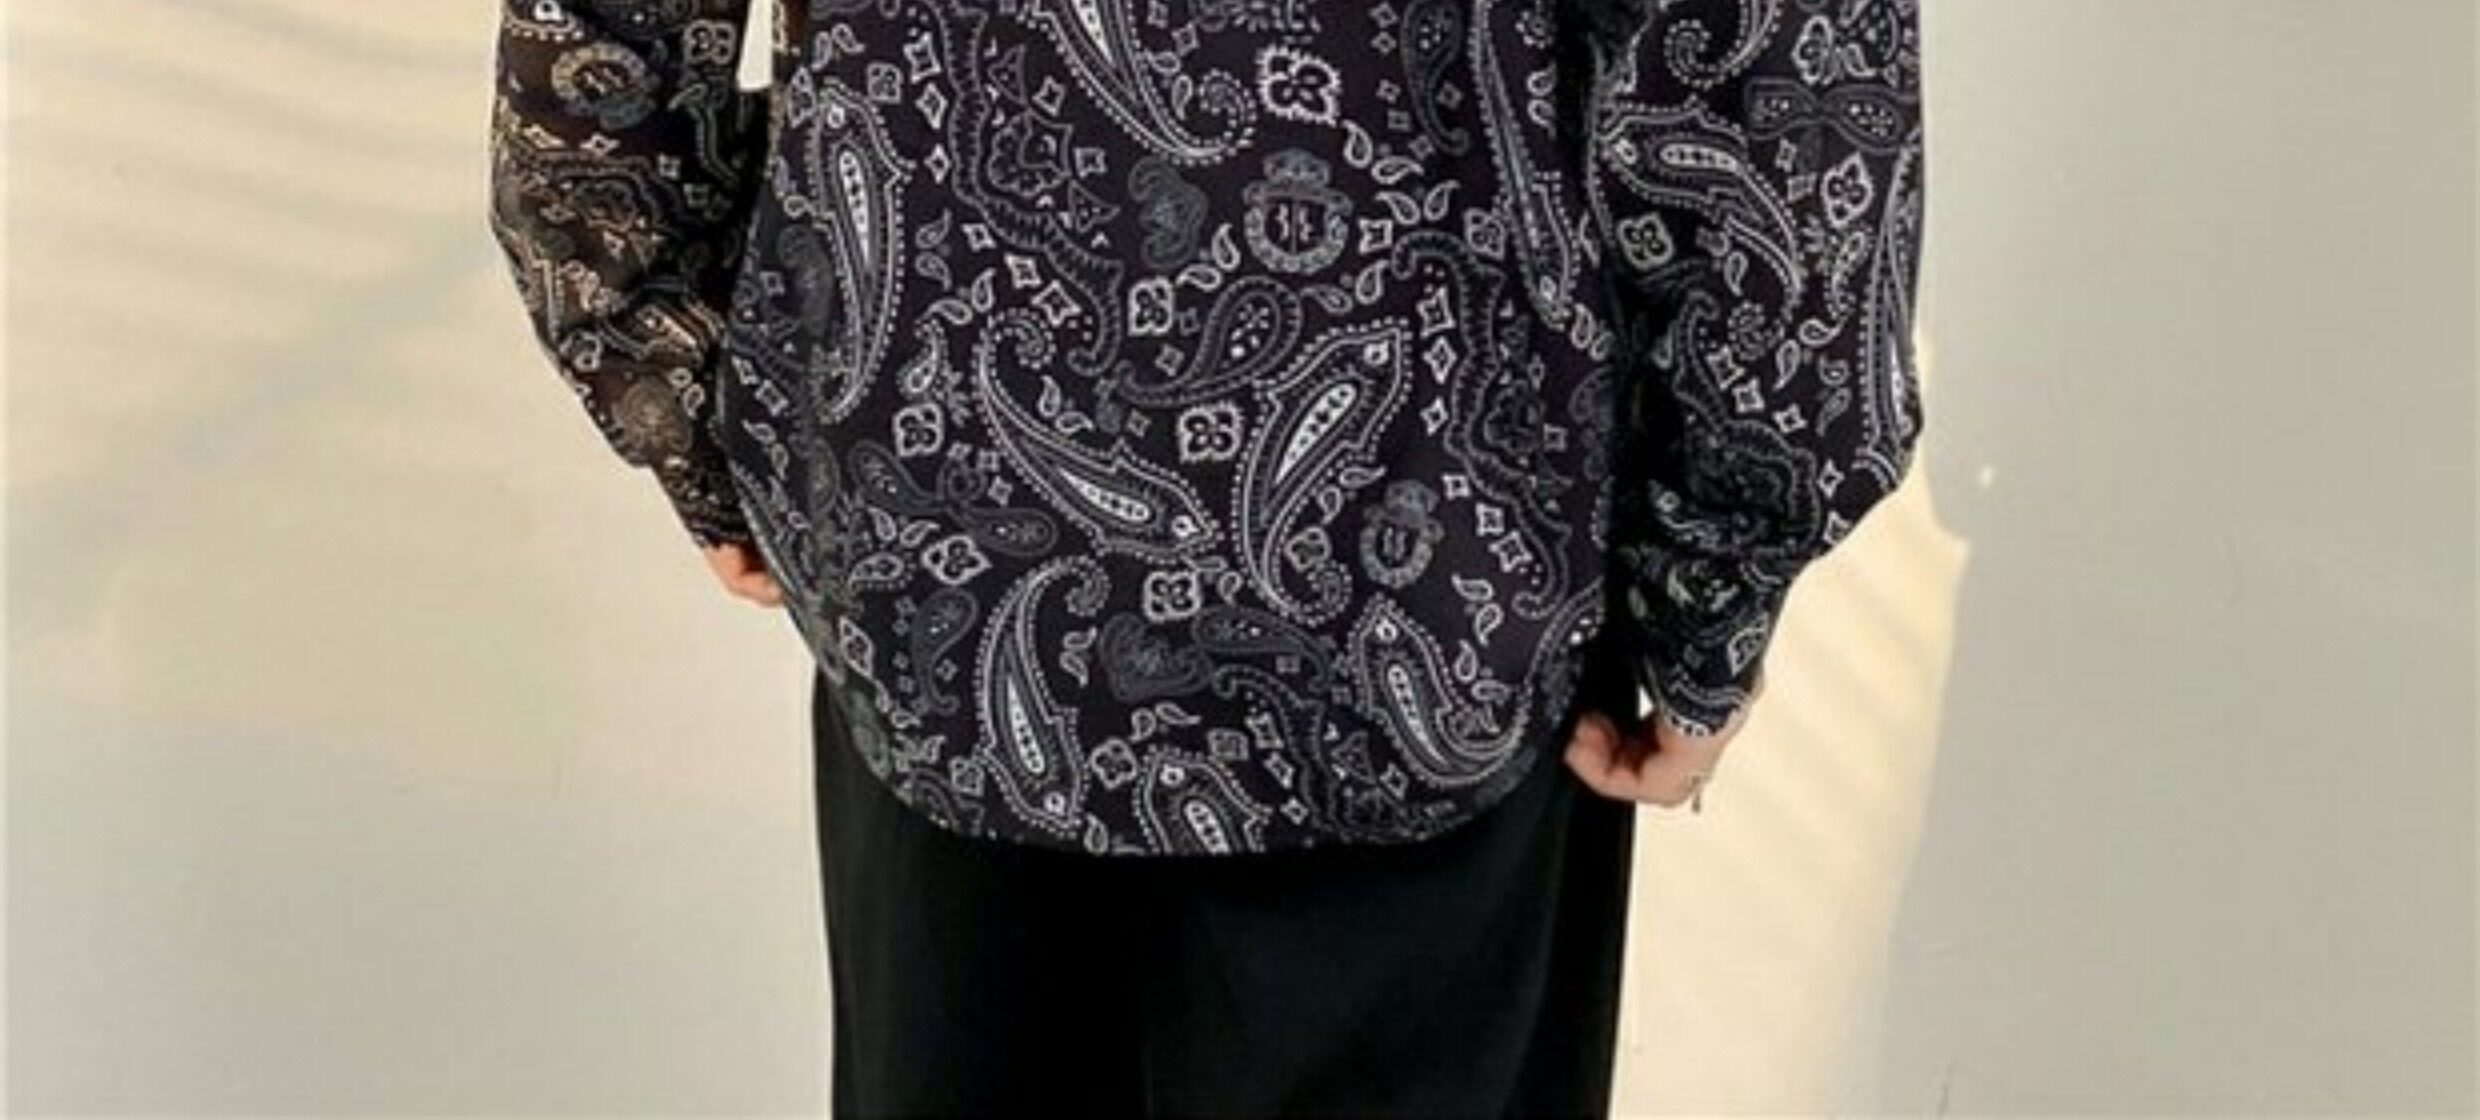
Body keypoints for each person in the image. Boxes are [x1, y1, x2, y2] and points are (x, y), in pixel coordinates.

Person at [486, 0, 1925, 1114]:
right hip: (1432, 586)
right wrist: (1711, 591)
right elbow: (1781, 105)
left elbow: (594, 69)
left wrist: (689, 392)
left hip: (938, 563)